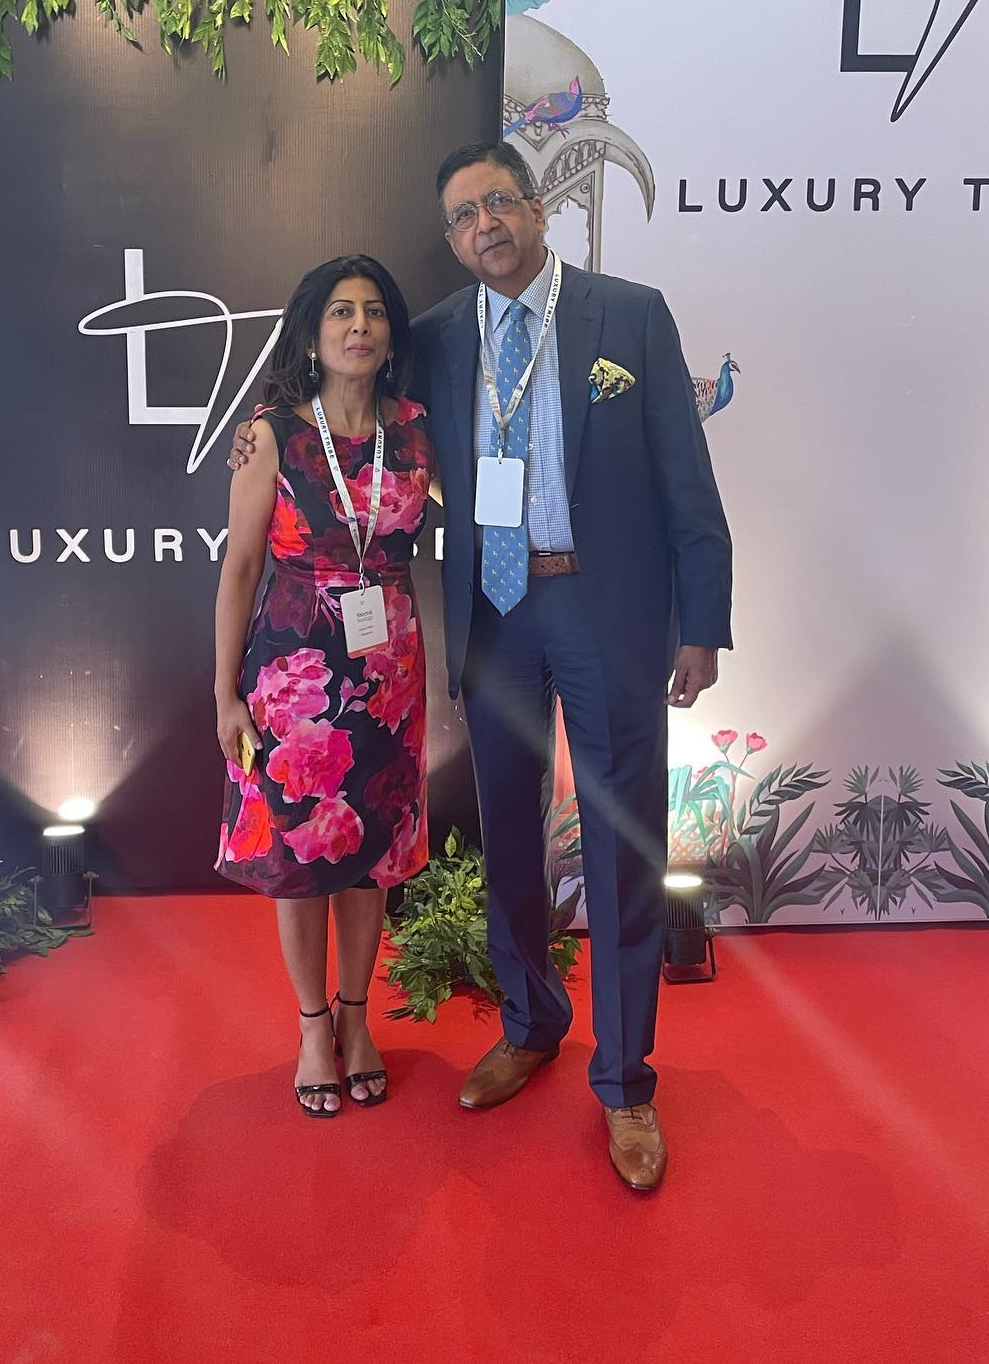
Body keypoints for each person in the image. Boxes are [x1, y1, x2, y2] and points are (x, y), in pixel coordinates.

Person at [232, 144, 732, 1186]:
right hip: (495, 614)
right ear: (452, 240)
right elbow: (349, 405)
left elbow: (688, 477)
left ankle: (626, 1083)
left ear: (538, 209)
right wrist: (260, 434)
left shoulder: (629, 315)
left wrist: (702, 624)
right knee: (507, 833)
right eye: (462, 216)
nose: (484, 225)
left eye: (499, 202)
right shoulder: (437, 338)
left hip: (606, 609)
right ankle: (531, 1022)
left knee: (621, 845)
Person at [214, 254, 434, 1118]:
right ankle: (313, 1027)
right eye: (341, 312)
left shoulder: (416, 430)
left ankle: (355, 1015)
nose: (358, 326)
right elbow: (239, 569)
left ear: (391, 334)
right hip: (293, 677)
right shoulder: (272, 434)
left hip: (389, 676)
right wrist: (224, 693)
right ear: (311, 335)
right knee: (301, 855)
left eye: (373, 311)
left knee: (370, 854)